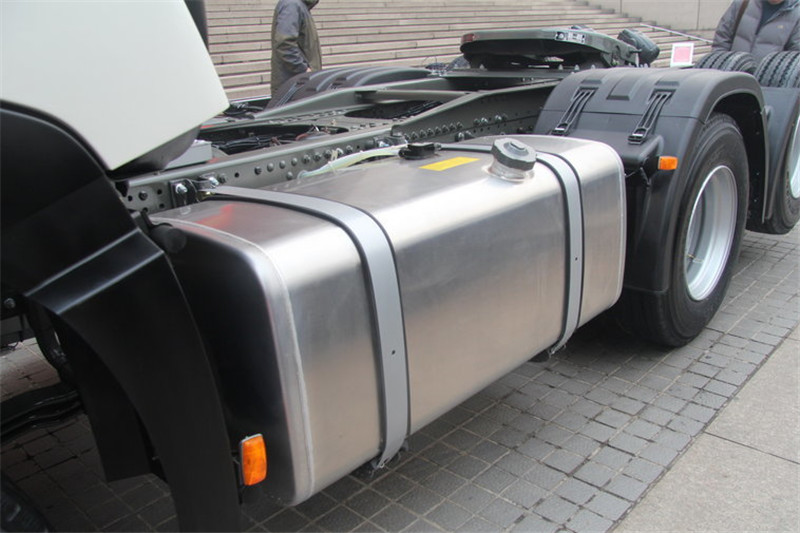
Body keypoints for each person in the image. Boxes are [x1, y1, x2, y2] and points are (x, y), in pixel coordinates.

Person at [712, 0, 800, 61]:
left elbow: (794, 58)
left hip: (767, 81)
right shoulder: (742, 4)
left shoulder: (796, 15)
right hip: (733, 76)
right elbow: (722, 40)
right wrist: (720, 66)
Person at [270, 0, 322, 94]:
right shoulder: (292, 5)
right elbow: (284, 44)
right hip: (294, 88)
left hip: (299, 85)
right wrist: (304, 70)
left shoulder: (300, 6)